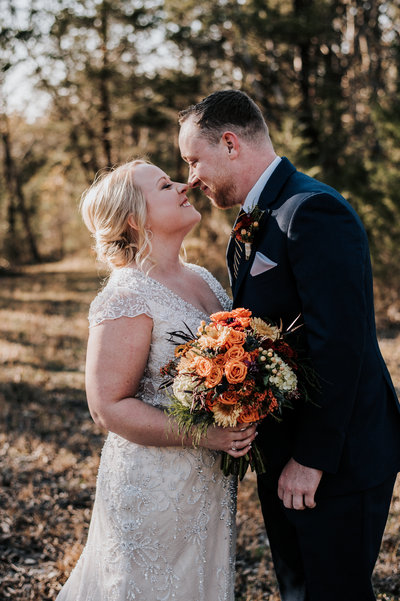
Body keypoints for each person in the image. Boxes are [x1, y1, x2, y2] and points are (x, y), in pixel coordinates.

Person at [178, 89, 400, 601]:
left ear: (230, 143)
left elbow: (340, 345)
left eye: (194, 159)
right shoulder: (258, 215)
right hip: (289, 454)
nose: (190, 176)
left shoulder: (313, 211)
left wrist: (312, 458)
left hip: (337, 457)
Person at [56, 159, 257, 601]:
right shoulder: (126, 295)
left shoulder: (202, 278)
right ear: (135, 218)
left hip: (206, 482)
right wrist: (208, 437)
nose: (185, 185)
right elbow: (106, 405)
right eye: (166, 185)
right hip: (152, 485)